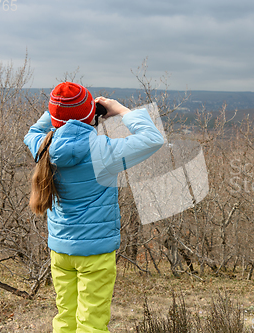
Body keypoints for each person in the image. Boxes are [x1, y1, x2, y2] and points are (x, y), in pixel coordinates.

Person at [24, 82, 164, 332]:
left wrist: (60, 111)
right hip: (95, 253)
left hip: (60, 250)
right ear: (91, 113)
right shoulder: (103, 150)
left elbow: (33, 130)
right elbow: (153, 139)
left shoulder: (43, 146)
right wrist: (119, 109)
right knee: (92, 324)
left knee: (65, 317)